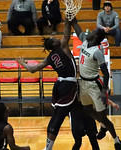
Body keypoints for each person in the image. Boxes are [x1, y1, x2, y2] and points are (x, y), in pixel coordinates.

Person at [16, 17, 78, 150]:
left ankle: (48, 146)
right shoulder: (64, 47)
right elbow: (67, 33)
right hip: (68, 85)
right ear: (55, 44)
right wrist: (68, 19)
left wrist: (22, 64)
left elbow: (32, 70)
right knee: (59, 117)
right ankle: (49, 147)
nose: (55, 37)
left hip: (59, 86)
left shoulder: (50, 57)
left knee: (55, 114)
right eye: (53, 38)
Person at [71, 17, 121, 150]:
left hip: (95, 84)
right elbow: (76, 26)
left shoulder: (97, 52)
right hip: (83, 82)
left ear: (96, 37)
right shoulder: (84, 40)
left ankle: (116, 141)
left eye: (93, 32)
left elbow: (105, 73)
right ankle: (103, 125)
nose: (90, 32)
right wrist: (72, 17)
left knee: (103, 116)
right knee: (87, 108)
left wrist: (104, 91)